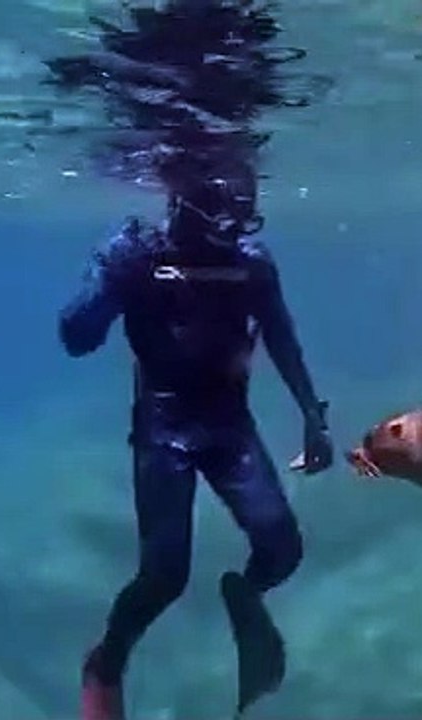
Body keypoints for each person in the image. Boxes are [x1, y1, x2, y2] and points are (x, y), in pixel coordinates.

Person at [59, 164, 333, 720]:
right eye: (224, 215)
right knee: (164, 577)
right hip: (164, 428)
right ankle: (106, 664)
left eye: (243, 214)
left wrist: (312, 414)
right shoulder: (138, 250)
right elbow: (76, 336)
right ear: (185, 203)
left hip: (228, 422)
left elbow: (281, 336)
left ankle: (245, 594)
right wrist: (113, 275)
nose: (233, 232)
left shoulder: (251, 263)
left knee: (283, 548)